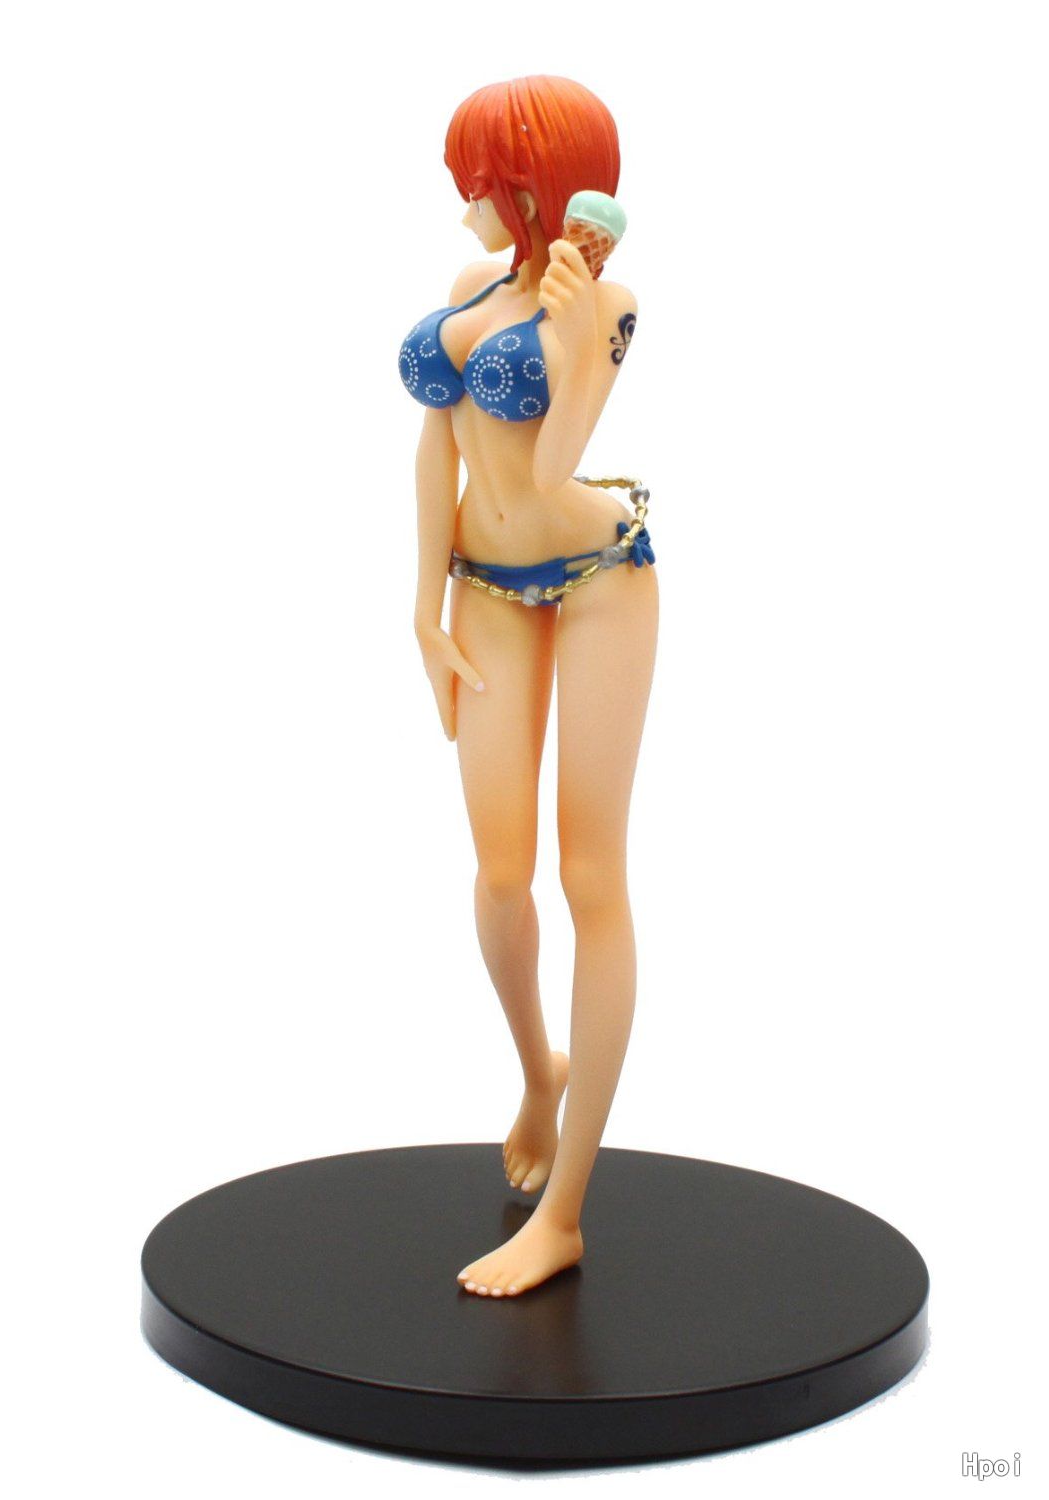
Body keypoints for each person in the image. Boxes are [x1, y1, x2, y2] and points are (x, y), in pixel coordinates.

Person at [399, 75, 658, 1297]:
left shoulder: (603, 303)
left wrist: (570, 340)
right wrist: (419, 604)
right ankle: (536, 1070)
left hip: (601, 579)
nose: (465, 205)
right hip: (484, 593)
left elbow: (556, 465)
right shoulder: (469, 287)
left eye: (482, 183)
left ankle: (563, 1216)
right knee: (500, 874)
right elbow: (436, 442)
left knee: (588, 875)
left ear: (537, 188)